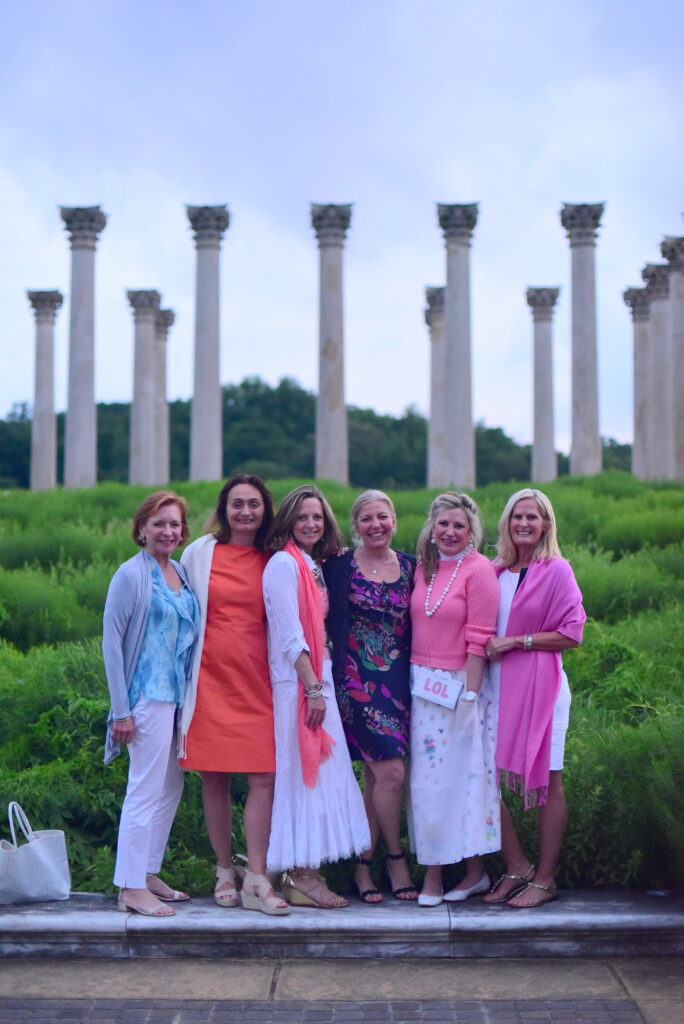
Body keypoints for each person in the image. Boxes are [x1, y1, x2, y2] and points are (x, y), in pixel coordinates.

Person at [180, 474, 288, 916]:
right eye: (237, 504)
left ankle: (257, 876)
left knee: (264, 777)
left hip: (259, 680)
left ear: (266, 510)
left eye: (254, 504)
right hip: (209, 679)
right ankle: (225, 869)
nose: (245, 512)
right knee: (215, 777)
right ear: (224, 509)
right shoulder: (200, 553)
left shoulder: (277, 557)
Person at [263, 484, 371, 908]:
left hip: (316, 677)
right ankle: (303, 877)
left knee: (322, 773)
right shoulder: (282, 565)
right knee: (304, 773)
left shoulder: (311, 564)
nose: (311, 523)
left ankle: (303, 871)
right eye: (302, 516)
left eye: (317, 517)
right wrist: (312, 688)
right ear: (288, 521)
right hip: (298, 682)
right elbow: (289, 634)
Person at [482, 488, 585, 908]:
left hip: (543, 691)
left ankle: (544, 879)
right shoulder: (491, 571)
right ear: (507, 523)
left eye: (533, 517)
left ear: (545, 524)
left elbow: (572, 632)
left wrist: (516, 642)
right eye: (517, 516)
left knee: (549, 779)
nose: (524, 523)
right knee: (482, 776)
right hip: (494, 690)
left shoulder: (557, 570)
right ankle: (516, 865)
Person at [103, 490, 199, 917]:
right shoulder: (131, 574)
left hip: (177, 697)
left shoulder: (178, 571)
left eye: (174, 524)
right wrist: (120, 710)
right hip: (146, 696)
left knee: (171, 785)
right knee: (144, 788)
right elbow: (111, 643)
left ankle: (146, 871)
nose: (167, 531)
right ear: (141, 528)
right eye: (158, 523)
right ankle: (128, 886)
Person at [324, 489, 417, 903]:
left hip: (401, 682)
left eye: (382, 517)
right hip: (355, 683)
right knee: (391, 773)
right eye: (366, 519)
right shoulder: (338, 566)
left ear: (395, 520)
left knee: (378, 776)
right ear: (355, 526)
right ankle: (395, 858)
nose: (375, 525)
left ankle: (362, 865)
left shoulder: (415, 568)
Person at [409, 492, 500, 907]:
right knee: (425, 785)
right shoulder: (422, 567)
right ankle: (438, 868)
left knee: (459, 784)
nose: (449, 532)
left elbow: (480, 639)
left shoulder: (479, 571)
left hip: (459, 687)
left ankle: (464, 872)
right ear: (431, 527)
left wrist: (470, 696)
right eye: (443, 524)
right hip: (419, 686)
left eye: (459, 526)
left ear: (471, 532)